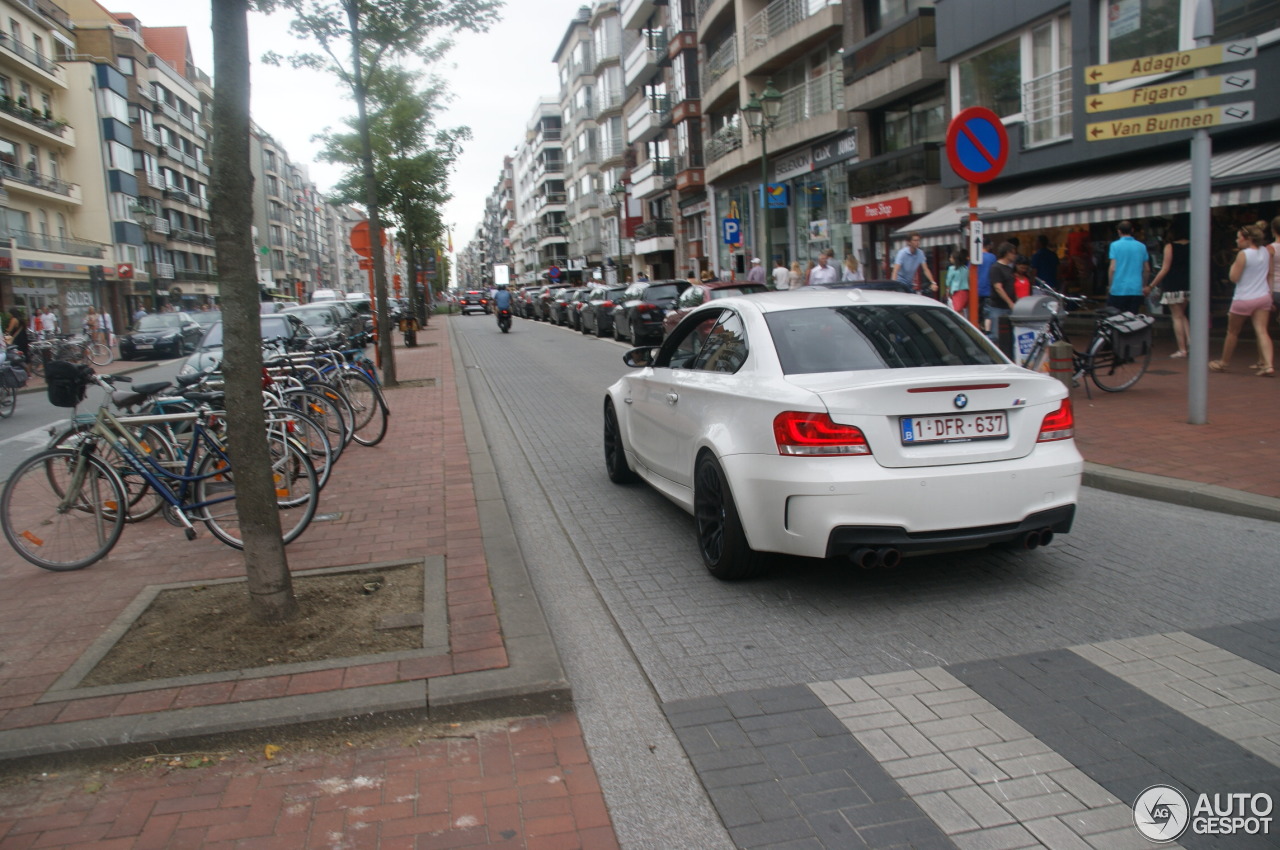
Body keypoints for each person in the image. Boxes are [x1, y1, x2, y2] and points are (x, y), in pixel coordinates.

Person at [1210, 221, 1273, 376]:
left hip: (1244, 298)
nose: (1236, 240)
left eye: (1239, 238)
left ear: (1247, 239)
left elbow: (1233, 277)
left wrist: (1232, 265)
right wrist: (1269, 294)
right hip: (1263, 295)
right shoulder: (1266, 251)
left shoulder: (1243, 254)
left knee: (1232, 332)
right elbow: (1270, 273)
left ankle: (1223, 362)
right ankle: (1268, 365)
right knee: (1262, 331)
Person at [1148, 220, 1190, 358]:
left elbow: (1165, 269)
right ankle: (1191, 345)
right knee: (1183, 315)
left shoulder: (1170, 247)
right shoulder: (1193, 245)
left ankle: (1182, 349)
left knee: (1177, 317)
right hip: (1189, 284)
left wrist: (1151, 285)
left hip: (1173, 284)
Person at [1107, 220, 1150, 313]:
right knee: (1133, 319)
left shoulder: (1114, 245)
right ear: (1132, 230)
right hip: (1136, 289)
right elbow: (1147, 269)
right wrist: (1144, 285)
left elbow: (1112, 268)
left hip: (1118, 288)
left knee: (1117, 319)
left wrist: (1111, 285)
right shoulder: (1141, 246)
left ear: (1119, 231)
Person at [986, 243, 1019, 344]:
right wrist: (1010, 303)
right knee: (997, 335)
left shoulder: (1010, 269)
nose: (1015, 255)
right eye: (1013, 253)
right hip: (998, 307)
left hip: (1010, 307)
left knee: (1011, 335)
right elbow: (998, 287)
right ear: (1007, 253)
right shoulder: (996, 268)